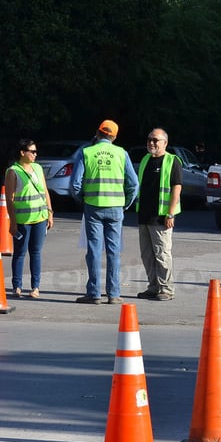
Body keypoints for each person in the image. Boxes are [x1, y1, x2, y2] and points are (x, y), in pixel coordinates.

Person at [71, 120, 139, 305]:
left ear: (97, 133)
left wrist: (83, 199)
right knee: (114, 251)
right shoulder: (121, 153)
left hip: (93, 206)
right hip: (116, 207)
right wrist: (125, 203)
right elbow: (134, 184)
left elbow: (75, 185)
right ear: (114, 137)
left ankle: (94, 293)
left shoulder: (86, 152)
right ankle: (114, 293)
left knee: (93, 250)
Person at [135, 128, 183, 301]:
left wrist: (170, 214)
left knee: (162, 254)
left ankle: (166, 288)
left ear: (165, 143)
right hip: (144, 216)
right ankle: (153, 286)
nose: (152, 143)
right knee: (147, 255)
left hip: (161, 217)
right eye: (149, 140)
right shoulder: (146, 159)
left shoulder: (172, 161)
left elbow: (176, 188)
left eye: (156, 140)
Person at [4, 139, 54, 299]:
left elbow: (45, 191)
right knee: (20, 253)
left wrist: (50, 212)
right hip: (23, 219)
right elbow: (9, 198)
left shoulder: (38, 168)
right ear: (22, 153)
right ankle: (17, 286)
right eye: (32, 151)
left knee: (36, 252)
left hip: (40, 217)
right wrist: (12, 222)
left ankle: (35, 287)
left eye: (35, 151)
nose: (35, 154)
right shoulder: (13, 171)